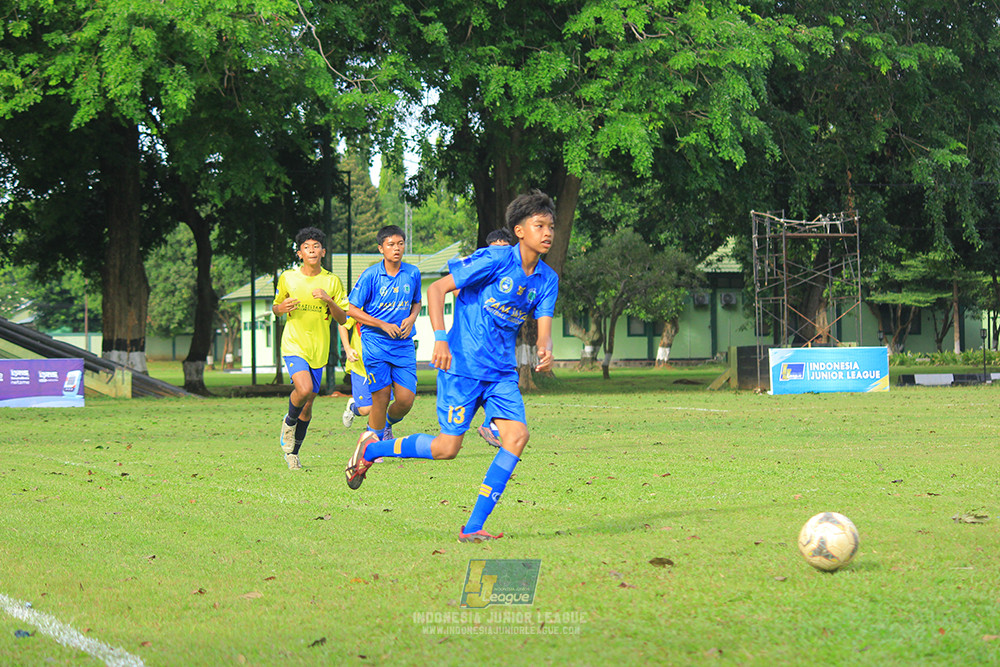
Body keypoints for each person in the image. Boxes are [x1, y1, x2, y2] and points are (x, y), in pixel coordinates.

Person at [344, 190, 559, 544]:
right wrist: (440, 338)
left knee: (517, 437)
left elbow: (544, 328)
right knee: (447, 448)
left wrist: (545, 349)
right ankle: (372, 449)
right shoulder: (494, 259)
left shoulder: (547, 279)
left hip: (501, 372)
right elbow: (438, 289)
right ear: (519, 230)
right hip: (462, 366)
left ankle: (473, 525)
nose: (547, 232)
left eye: (551, 226)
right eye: (539, 225)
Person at [272, 227, 348, 470]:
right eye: (307, 247)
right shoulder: (288, 278)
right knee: (303, 389)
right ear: (299, 253)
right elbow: (276, 307)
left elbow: (343, 318)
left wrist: (328, 300)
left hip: (319, 350)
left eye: (316, 246)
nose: (312, 250)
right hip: (294, 344)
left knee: (308, 404)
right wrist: (281, 308)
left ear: (323, 252)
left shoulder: (332, 281)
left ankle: (292, 453)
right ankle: (288, 421)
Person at [345, 225, 421, 443]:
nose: (396, 249)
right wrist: (382, 325)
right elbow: (351, 308)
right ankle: (372, 443)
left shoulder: (412, 273)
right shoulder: (370, 275)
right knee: (381, 397)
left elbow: (417, 301)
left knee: (406, 400)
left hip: (403, 344)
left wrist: (412, 317)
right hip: (375, 344)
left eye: (400, 244)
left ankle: (386, 423)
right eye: (391, 245)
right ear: (381, 248)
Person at [477, 227, 514, 449]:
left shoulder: (513, 272)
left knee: (501, 382)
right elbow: (452, 287)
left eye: (504, 249)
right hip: (479, 341)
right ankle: (490, 424)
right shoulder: (482, 267)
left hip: (501, 342)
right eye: (495, 249)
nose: (499, 254)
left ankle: (490, 424)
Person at [338, 317, 372, 428]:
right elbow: (342, 324)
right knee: (365, 409)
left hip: (381, 364)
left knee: (382, 402)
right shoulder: (358, 302)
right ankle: (353, 406)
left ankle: (375, 431)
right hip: (360, 365)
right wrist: (347, 349)